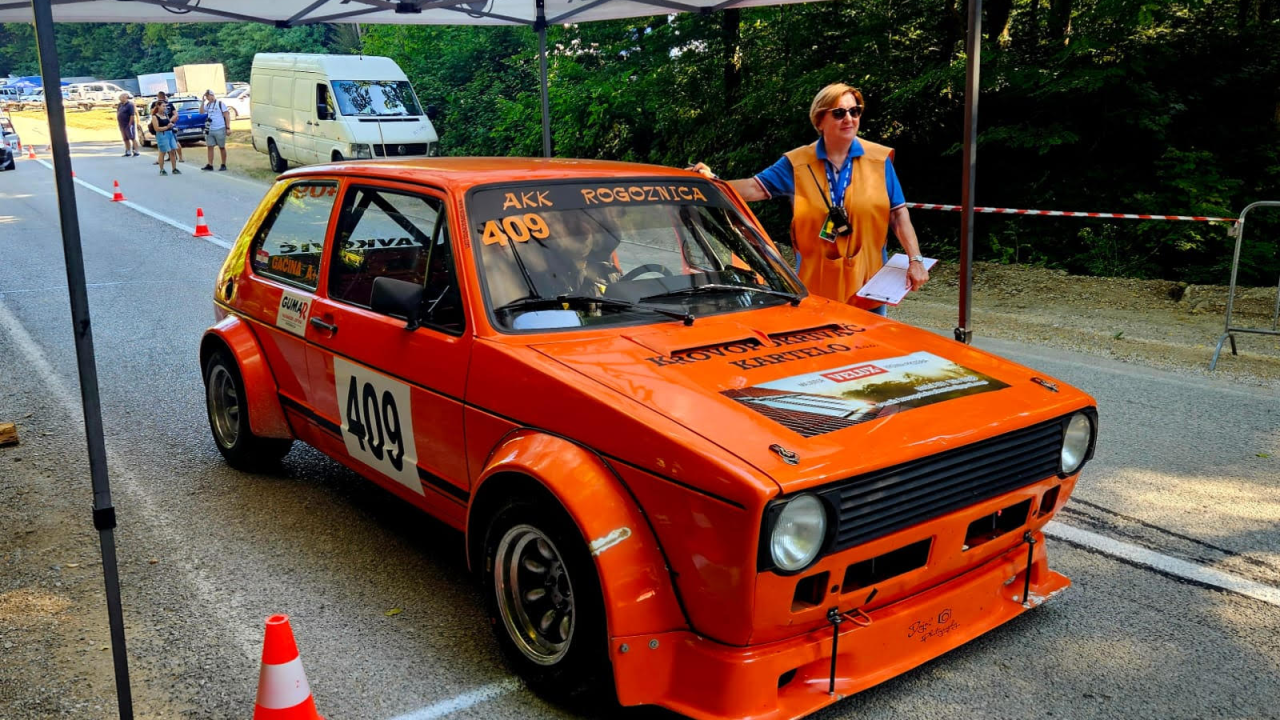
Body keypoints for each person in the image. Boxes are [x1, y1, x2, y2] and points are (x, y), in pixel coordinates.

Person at [690, 83, 928, 315]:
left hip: (869, 288)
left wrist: (915, 260)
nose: (849, 118)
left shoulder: (879, 160)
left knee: (869, 352)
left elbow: (898, 214)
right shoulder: (796, 163)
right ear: (820, 120)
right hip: (816, 287)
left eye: (855, 111)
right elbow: (754, 187)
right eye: (839, 113)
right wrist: (711, 182)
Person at [200, 89, 230, 172]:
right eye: (206, 96)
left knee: (221, 147)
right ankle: (210, 164)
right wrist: (202, 102)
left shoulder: (220, 104)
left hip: (220, 128)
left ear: (212, 95)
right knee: (210, 146)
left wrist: (228, 128)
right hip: (210, 129)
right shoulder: (208, 105)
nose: (207, 98)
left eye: (208, 96)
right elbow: (201, 112)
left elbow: (227, 115)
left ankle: (223, 164)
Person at [150, 99, 180, 176]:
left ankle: (174, 168)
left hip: (170, 134)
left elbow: (169, 123)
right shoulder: (155, 117)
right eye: (163, 106)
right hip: (162, 135)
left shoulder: (165, 115)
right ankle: (162, 169)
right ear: (158, 106)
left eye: (165, 106)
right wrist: (167, 127)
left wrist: (171, 126)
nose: (165, 108)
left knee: (172, 151)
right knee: (162, 152)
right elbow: (157, 129)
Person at [115, 93, 139, 157]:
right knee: (125, 138)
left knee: (132, 137)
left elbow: (132, 115)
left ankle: (136, 151)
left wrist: (130, 124)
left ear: (125, 97)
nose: (120, 98)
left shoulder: (130, 105)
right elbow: (118, 112)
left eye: (121, 97)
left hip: (128, 124)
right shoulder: (120, 105)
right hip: (121, 124)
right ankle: (128, 151)